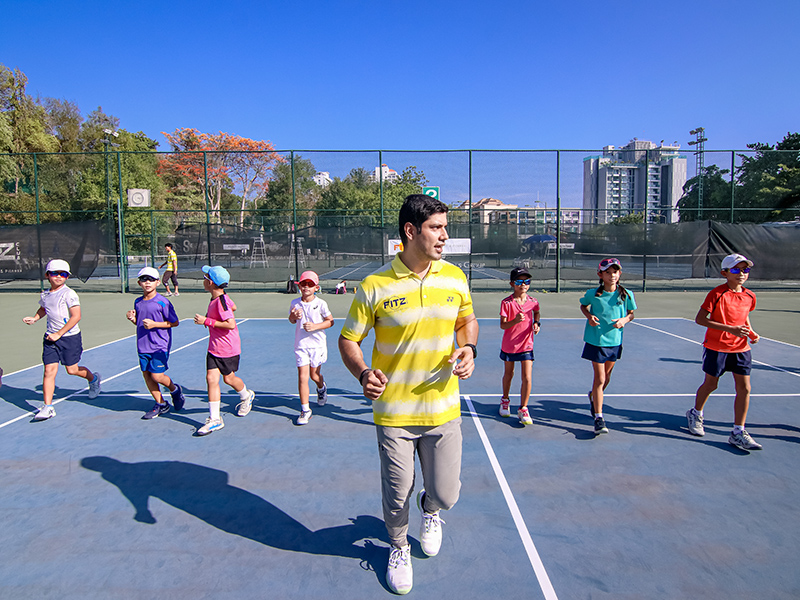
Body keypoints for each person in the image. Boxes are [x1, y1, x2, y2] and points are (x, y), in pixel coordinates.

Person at [338, 194, 478, 595]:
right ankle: (397, 546)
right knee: (397, 493)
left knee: (447, 494)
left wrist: (468, 348)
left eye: (445, 227)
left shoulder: (454, 277)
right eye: (436, 228)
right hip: (395, 415)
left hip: (444, 410)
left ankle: (431, 510)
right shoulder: (375, 285)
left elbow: (468, 322)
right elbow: (349, 340)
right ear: (411, 231)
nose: (444, 236)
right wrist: (363, 371)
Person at [685, 253, 762, 450]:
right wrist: (730, 329)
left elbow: (744, 318)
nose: (742, 273)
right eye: (736, 270)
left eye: (745, 270)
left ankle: (738, 431)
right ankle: (696, 413)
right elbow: (700, 319)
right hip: (716, 348)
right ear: (725, 273)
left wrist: (751, 332)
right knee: (711, 384)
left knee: (745, 388)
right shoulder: (717, 294)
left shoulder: (749, 296)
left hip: (741, 348)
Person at [22, 259, 101, 420]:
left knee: (72, 370)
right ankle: (48, 407)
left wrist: (59, 333)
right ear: (47, 275)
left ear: (67, 277)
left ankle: (93, 379)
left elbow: (76, 316)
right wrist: (35, 318)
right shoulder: (45, 294)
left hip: (69, 338)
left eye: (63, 274)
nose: (59, 277)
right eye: (55, 273)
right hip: (50, 339)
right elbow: (44, 308)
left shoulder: (69, 294)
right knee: (49, 371)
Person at [193, 265, 255, 435]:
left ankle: (246, 395)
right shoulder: (220, 299)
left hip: (227, 348)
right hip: (214, 347)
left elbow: (231, 324)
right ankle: (215, 419)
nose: (204, 280)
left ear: (211, 283)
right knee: (211, 379)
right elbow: (232, 307)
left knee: (229, 379)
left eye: (206, 277)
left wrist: (207, 321)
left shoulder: (220, 301)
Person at [579, 257, 637, 435]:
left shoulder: (626, 294)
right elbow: (583, 306)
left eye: (615, 272)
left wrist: (624, 320)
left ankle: (593, 397)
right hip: (596, 342)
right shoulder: (593, 293)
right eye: (608, 273)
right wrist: (589, 317)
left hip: (615, 342)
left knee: (607, 378)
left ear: (620, 274)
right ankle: (598, 417)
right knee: (600, 379)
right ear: (600, 274)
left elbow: (631, 314)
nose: (612, 276)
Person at [126, 266, 186, 419]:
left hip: (160, 345)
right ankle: (161, 404)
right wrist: (133, 319)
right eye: (144, 279)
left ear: (158, 282)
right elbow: (141, 324)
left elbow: (174, 323)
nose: (147, 282)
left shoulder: (163, 303)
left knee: (157, 376)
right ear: (139, 283)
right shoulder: (138, 302)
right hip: (142, 345)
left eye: (151, 280)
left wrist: (155, 324)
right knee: (147, 375)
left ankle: (175, 390)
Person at [288, 270, 334, 425]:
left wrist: (315, 326)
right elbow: (291, 320)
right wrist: (293, 317)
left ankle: (321, 387)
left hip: (317, 346)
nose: (306, 287)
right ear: (299, 286)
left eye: (310, 284)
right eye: (303, 284)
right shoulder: (295, 303)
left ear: (316, 287)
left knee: (314, 376)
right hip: (301, 345)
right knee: (302, 376)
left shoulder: (321, 304)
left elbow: (330, 321)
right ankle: (305, 410)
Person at [499, 266, 541, 425]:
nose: (523, 284)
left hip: (527, 345)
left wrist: (537, 323)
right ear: (512, 284)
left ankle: (523, 408)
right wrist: (515, 321)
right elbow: (503, 325)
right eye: (519, 281)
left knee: (527, 377)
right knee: (509, 374)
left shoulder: (533, 302)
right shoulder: (506, 303)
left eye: (526, 281)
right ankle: (505, 400)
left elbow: (537, 312)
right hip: (510, 345)